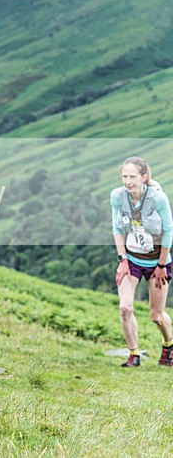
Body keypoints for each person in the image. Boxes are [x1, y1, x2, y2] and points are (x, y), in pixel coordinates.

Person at [111, 157, 173, 367]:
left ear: (144, 177)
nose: (127, 181)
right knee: (125, 308)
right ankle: (134, 354)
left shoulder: (158, 199)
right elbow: (118, 229)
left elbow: (168, 232)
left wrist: (161, 265)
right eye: (124, 176)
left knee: (156, 315)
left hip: (158, 262)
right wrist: (122, 260)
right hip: (132, 259)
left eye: (132, 176)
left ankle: (168, 346)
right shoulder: (117, 197)